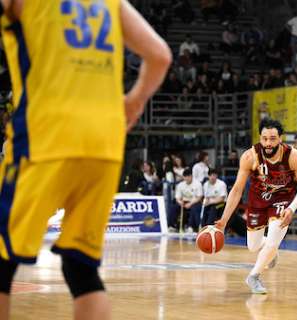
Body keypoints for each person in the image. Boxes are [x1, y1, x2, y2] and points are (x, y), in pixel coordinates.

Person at [0, 0, 171, 319]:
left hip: (46, 136)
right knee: (80, 267)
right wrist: (134, 102)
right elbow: (160, 55)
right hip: (104, 143)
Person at [215, 118, 297, 294]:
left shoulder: (294, 156)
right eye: (264, 138)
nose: (268, 143)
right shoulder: (249, 156)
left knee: (274, 236)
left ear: (280, 138)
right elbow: (237, 190)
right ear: (260, 138)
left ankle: (254, 276)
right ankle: (271, 251)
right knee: (253, 246)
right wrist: (223, 220)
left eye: (273, 138)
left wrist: (292, 208)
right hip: (258, 201)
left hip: (283, 200)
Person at [169, 169, 203, 234]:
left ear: (191, 176)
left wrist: (190, 204)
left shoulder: (197, 184)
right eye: (185, 176)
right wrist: (180, 202)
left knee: (195, 208)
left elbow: (199, 197)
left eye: (188, 176)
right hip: (183, 202)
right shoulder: (180, 185)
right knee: (173, 207)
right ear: (183, 177)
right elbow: (177, 197)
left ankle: (191, 227)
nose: (187, 178)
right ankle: (172, 226)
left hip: (194, 202)